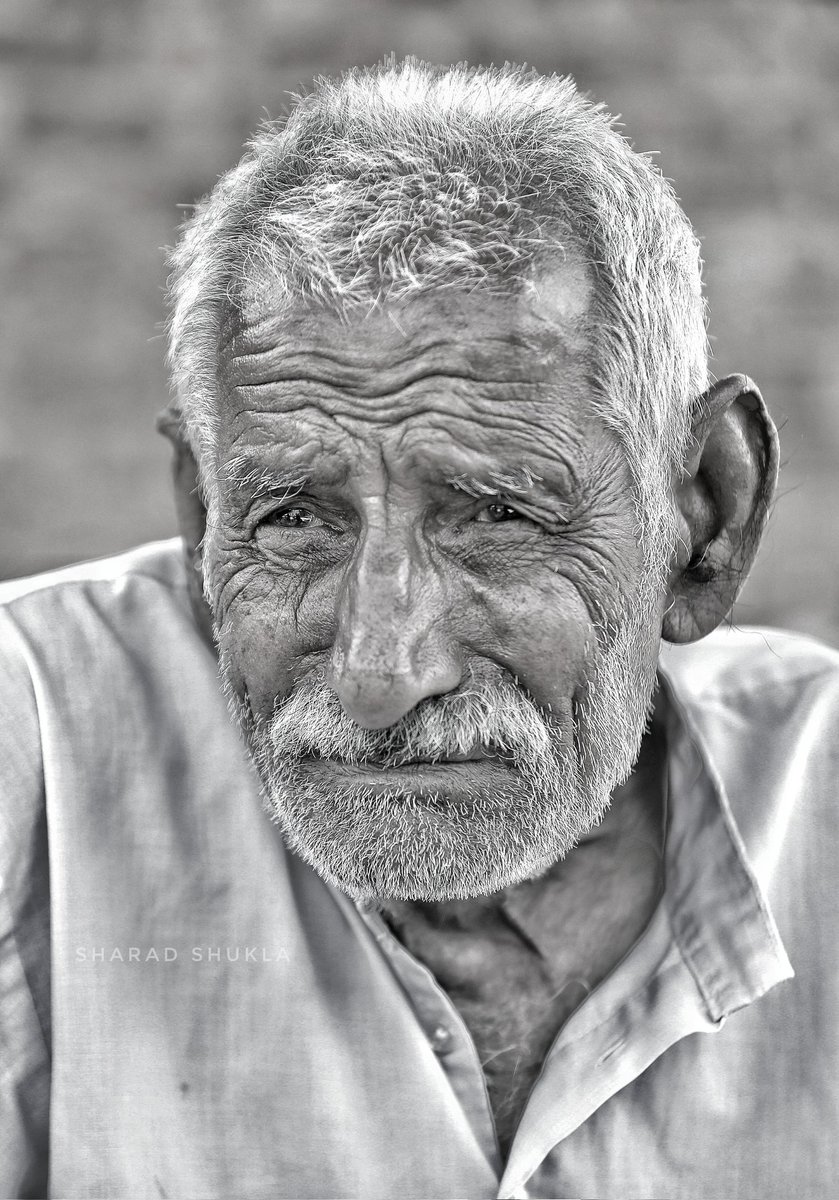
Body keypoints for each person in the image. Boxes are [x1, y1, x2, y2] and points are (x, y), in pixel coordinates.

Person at [1, 59, 836, 1200]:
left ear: (703, 518)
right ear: (202, 521)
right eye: (292, 518)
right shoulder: (30, 746)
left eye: (497, 514)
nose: (378, 669)